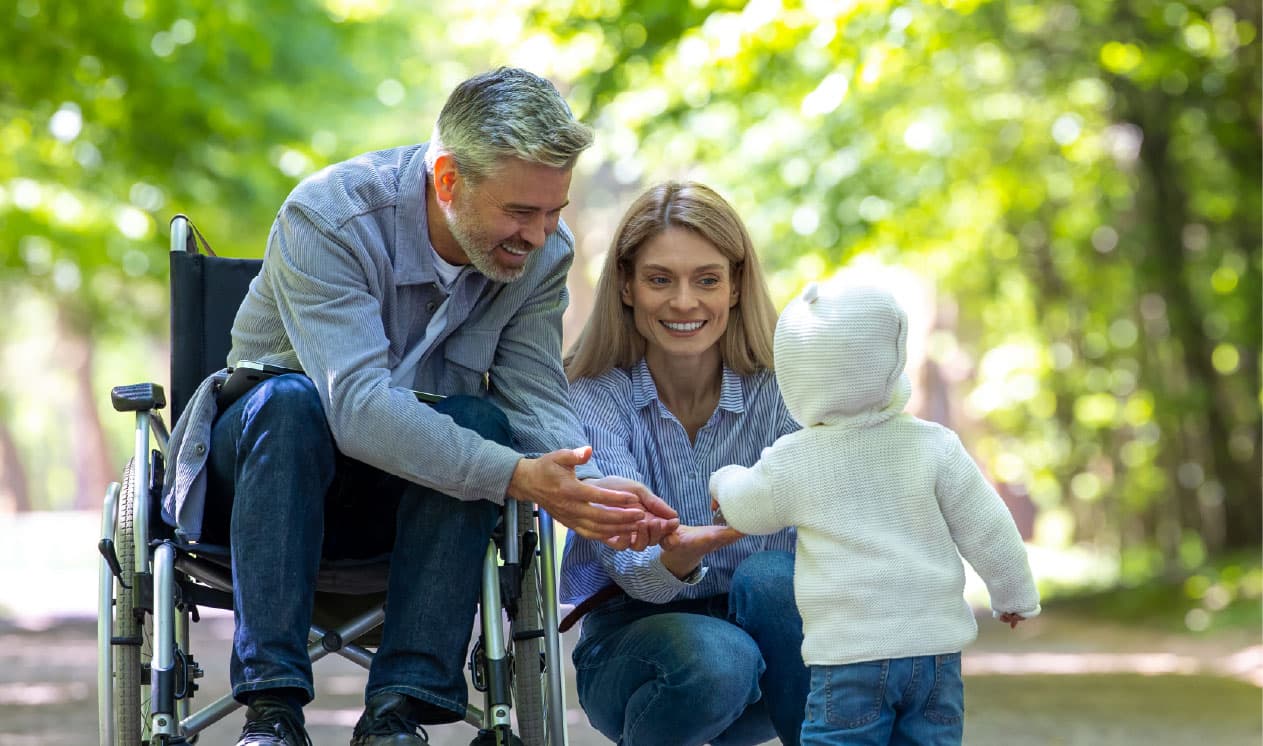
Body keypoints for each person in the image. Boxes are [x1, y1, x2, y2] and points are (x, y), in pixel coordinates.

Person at [161, 67, 677, 746]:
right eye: (520, 212)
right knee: (291, 403)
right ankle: (272, 710)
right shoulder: (328, 217)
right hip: (265, 482)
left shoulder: (543, 256)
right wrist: (516, 477)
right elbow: (359, 409)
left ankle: (398, 712)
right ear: (446, 181)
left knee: (480, 423)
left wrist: (579, 483)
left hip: (411, 499)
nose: (539, 233)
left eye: (554, 211)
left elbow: (532, 390)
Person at [710, 283, 1042, 746]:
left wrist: (723, 480)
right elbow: (988, 527)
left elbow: (745, 508)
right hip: (934, 658)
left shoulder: (796, 459)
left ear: (795, 377)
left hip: (849, 660)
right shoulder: (934, 445)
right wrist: (1014, 594)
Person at [560, 181, 810, 746]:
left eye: (707, 279)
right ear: (625, 285)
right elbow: (638, 576)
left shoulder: (788, 390)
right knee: (720, 659)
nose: (684, 302)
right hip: (637, 638)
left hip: (775, 639)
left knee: (771, 579)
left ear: (736, 284)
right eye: (659, 279)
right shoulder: (590, 395)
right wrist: (676, 555)